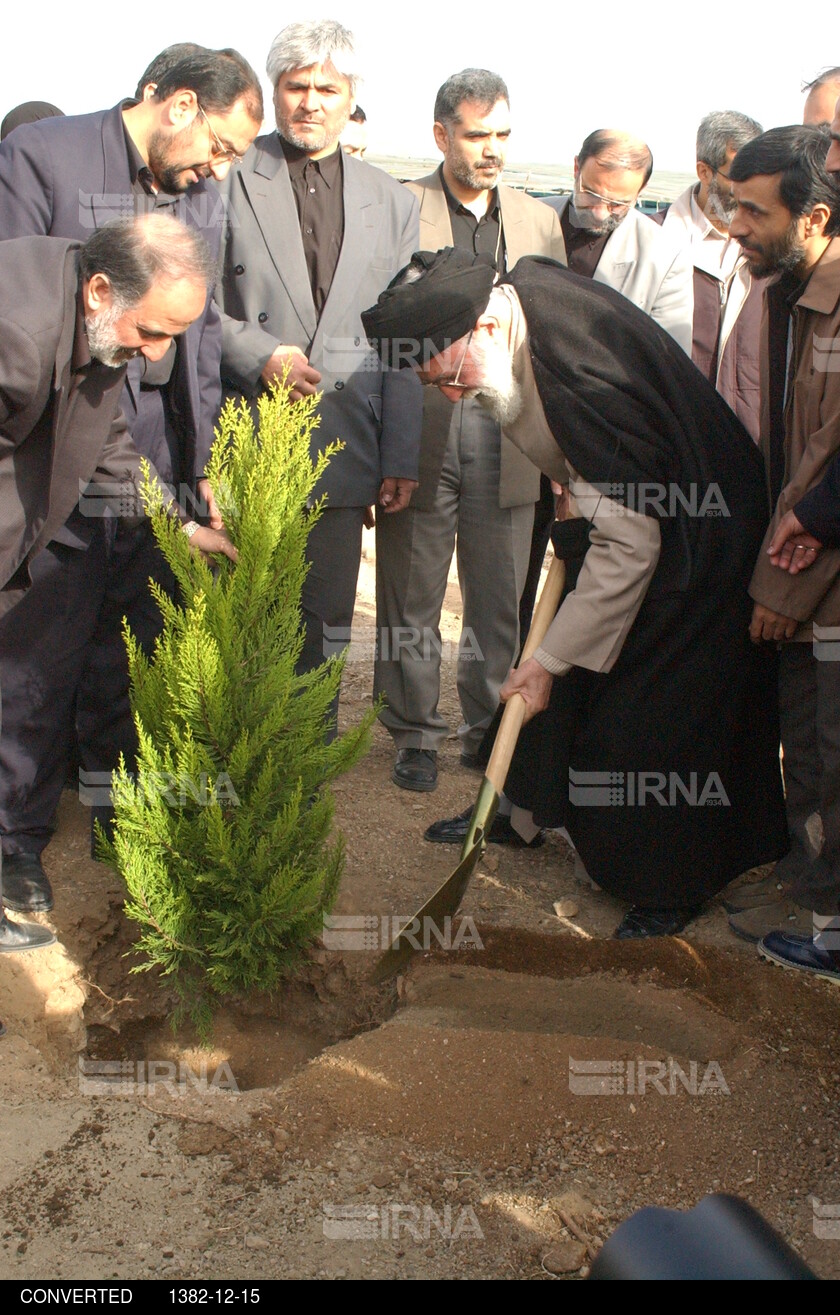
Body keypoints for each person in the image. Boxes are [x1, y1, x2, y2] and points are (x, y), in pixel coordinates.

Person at [362, 246, 788, 938]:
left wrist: (549, 661)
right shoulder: (513, 301)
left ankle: (669, 880)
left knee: (646, 708)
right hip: (624, 510)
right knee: (557, 660)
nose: (449, 397)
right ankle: (520, 808)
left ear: (489, 330)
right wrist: (574, 493)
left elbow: (634, 544)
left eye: (449, 378)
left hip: (698, 537)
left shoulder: (576, 372)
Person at [0, 46, 263, 910]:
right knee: (42, 641)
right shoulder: (47, 159)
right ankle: (14, 841)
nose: (216, 170)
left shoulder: (197, 206)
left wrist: (194, 478)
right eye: (217, 146)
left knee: (129, 638)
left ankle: (116, 802)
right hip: (38, 428)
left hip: (130, 424)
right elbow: (32, 338)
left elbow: (193, 334)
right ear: (180, 105)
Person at [0, 214, 233, 957]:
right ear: (102, 289)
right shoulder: (16, 335)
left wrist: (183, 526)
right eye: (154, 332)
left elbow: (108, 446)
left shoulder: (98, 317)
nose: (157, 353)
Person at [215, 20, 422, 733]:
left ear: (351, 96)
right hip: (242, 431)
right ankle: (236, 747)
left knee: (327, 609)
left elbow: (401, 338)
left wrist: (400, 452)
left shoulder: (393, 201)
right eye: (295, 86)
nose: (310, 101)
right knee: (239, 602)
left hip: (345, 441)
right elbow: (189, 308)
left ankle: (306, 753)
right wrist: (256, 354)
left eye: (326, 88)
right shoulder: (227, 177)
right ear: (274, 91)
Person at [373, 68, 565, 793]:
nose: (492, 149)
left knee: (497, 592)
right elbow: (384, 334)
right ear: (441, 134)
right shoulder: (398, 209)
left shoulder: (539, 220)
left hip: (510, 433)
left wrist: (554, 450)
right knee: (412, 591)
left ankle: (486, 727)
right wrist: (390, 446)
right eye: (478, 134)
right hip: (421, 427)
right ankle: (415, 731)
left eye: (503, 135)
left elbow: (546, 336)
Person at [722, 126, 840, 981]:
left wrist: (782, 589)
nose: (736, 226)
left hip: (824, 588)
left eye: (754, 211)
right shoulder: (786, 295)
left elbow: (824, 473)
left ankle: (831, 937)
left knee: (828, 758)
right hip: (808, 580)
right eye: (731, 205)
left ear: (816, 216)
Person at [658, 112, 765, 441]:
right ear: (704, 171)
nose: (748, 190)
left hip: (751, 445)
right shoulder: (651, 242)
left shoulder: (774, 249)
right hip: (672, 442)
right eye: (738, 175)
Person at [542, 129, 693, 352]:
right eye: (591, 194)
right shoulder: (526, 216)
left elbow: (668, 361)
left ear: (640, 191)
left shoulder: (666, 257)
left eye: (618, 204)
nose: (600, 213)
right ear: (576, 168)